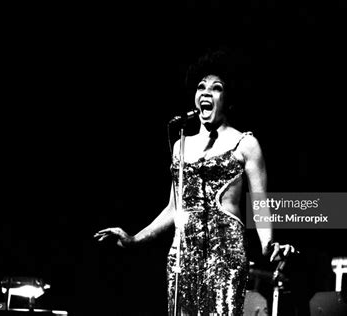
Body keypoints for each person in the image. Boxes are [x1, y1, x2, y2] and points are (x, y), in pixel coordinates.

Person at [95, 49, 295, 315]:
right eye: (201, 87)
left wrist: (269, 245)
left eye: (217, 88)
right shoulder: (181, 145)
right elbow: (174, 208)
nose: (206, 93)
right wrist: (134, 239)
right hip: (182, 255)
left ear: (228, 98)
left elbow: (260, 206)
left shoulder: (246, 144)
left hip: (225, 255)